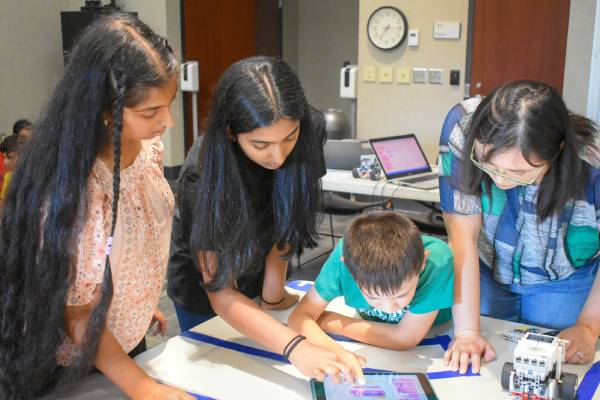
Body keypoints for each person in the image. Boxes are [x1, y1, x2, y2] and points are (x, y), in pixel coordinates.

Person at [0, 14, 193, 399]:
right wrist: (144, 389)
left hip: (117, 335)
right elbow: (77, 312)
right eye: (150, 112)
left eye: (168, 103)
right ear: (104, 111)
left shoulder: (146, 149)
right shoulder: (76, 190)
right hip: (74, 355)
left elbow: (126, 244)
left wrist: (131, 302)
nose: (168, 121)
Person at [168, 55, 357, 382]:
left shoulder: (309, 126)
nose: (278, 155)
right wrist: (296, 347)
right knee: (223, 377)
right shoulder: (202, 175)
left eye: (289, 138)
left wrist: (273, 294)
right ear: (231, 133)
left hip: (260, 263)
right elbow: (221, 293)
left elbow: (289, 207)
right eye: (260, 144)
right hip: (207, 292)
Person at [438, 80, 600, 374]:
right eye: (489, 163)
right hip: (484, 266)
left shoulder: (593, 163)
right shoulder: (464, 127)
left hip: (563, 277)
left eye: (519, 173)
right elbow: (462, 239)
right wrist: (467, 334)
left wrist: (588, 327)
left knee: (556, 364)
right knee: (484, 363)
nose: (500, 181)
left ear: (557, 152)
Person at [289, 211, 454, 381]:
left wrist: (328, 321)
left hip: (432, 338)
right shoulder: (345, 258)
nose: (390, 307)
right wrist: (337, 352)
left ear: (422, 263)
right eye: (374, 297)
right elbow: (298, 318)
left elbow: (405, 338)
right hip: (369, 340)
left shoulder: (438, 263)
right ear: (348, 268)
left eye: (402, 294)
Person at [0, 134, 25, 205]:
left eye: (9, 157)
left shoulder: (35, 179)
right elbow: (3, 204)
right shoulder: (9, 176)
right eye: (4, 157)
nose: (5, 162)